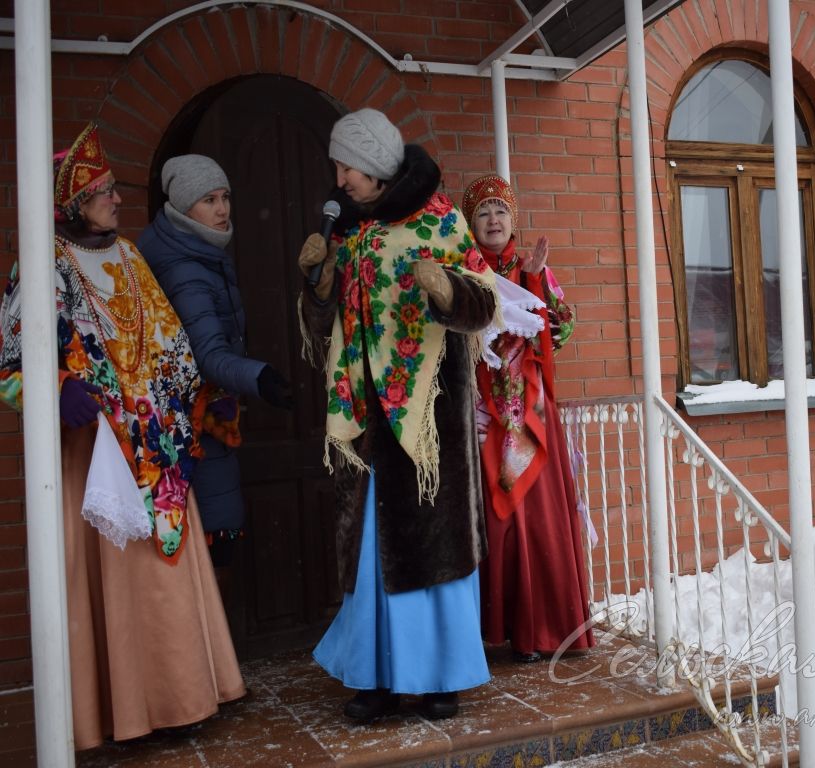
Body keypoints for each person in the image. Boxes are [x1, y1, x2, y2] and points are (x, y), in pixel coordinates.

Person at [0, 123, 245, 750]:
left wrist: (185, 399)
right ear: (75, 202)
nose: (114, 197)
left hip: (154, 444)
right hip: (94, 455)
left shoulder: (130, 255)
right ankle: (123, 715)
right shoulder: (44, 264)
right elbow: (8, 361)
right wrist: (55, 386)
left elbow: (167, 339)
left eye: (112, 187)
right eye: (103, 189)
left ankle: (185, 696)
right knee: (111, 578)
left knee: (161, 575)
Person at [296, 108, 497, 721]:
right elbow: (317, 330)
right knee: (370, 550)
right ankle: (375, 678)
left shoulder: (440, 222)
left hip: (428, 419)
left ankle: (439, 678)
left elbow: (484, 303)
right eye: (337, 165)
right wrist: (318, 284)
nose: (339, 177)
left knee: (431, 548)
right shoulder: (346, 231)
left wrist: (447, 292)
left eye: (346, 166)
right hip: (364, 419)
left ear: (378, 167)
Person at [138, 154, 293, 591]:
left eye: (225, 197)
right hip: (191, 427)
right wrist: (259, 375)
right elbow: (207, 352)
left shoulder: (191, 249)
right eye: (209, 200)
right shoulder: (184, 266)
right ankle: (206, 654)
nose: (222, 210)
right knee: (204, 552)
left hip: (199, 419)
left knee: (204, 543)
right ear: (184, 207)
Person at [461, 173, 595, 663]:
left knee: (540, 523)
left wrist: (535, 279)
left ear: (513, 219)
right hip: (484, 415)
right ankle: (508, 627)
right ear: (470, 223)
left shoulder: (530, 266)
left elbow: (561, 329)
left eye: (500, 210)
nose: (493, 219)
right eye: (482, 212)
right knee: (500, 524)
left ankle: (546, 628)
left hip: (532, 414)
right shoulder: (466, 273)